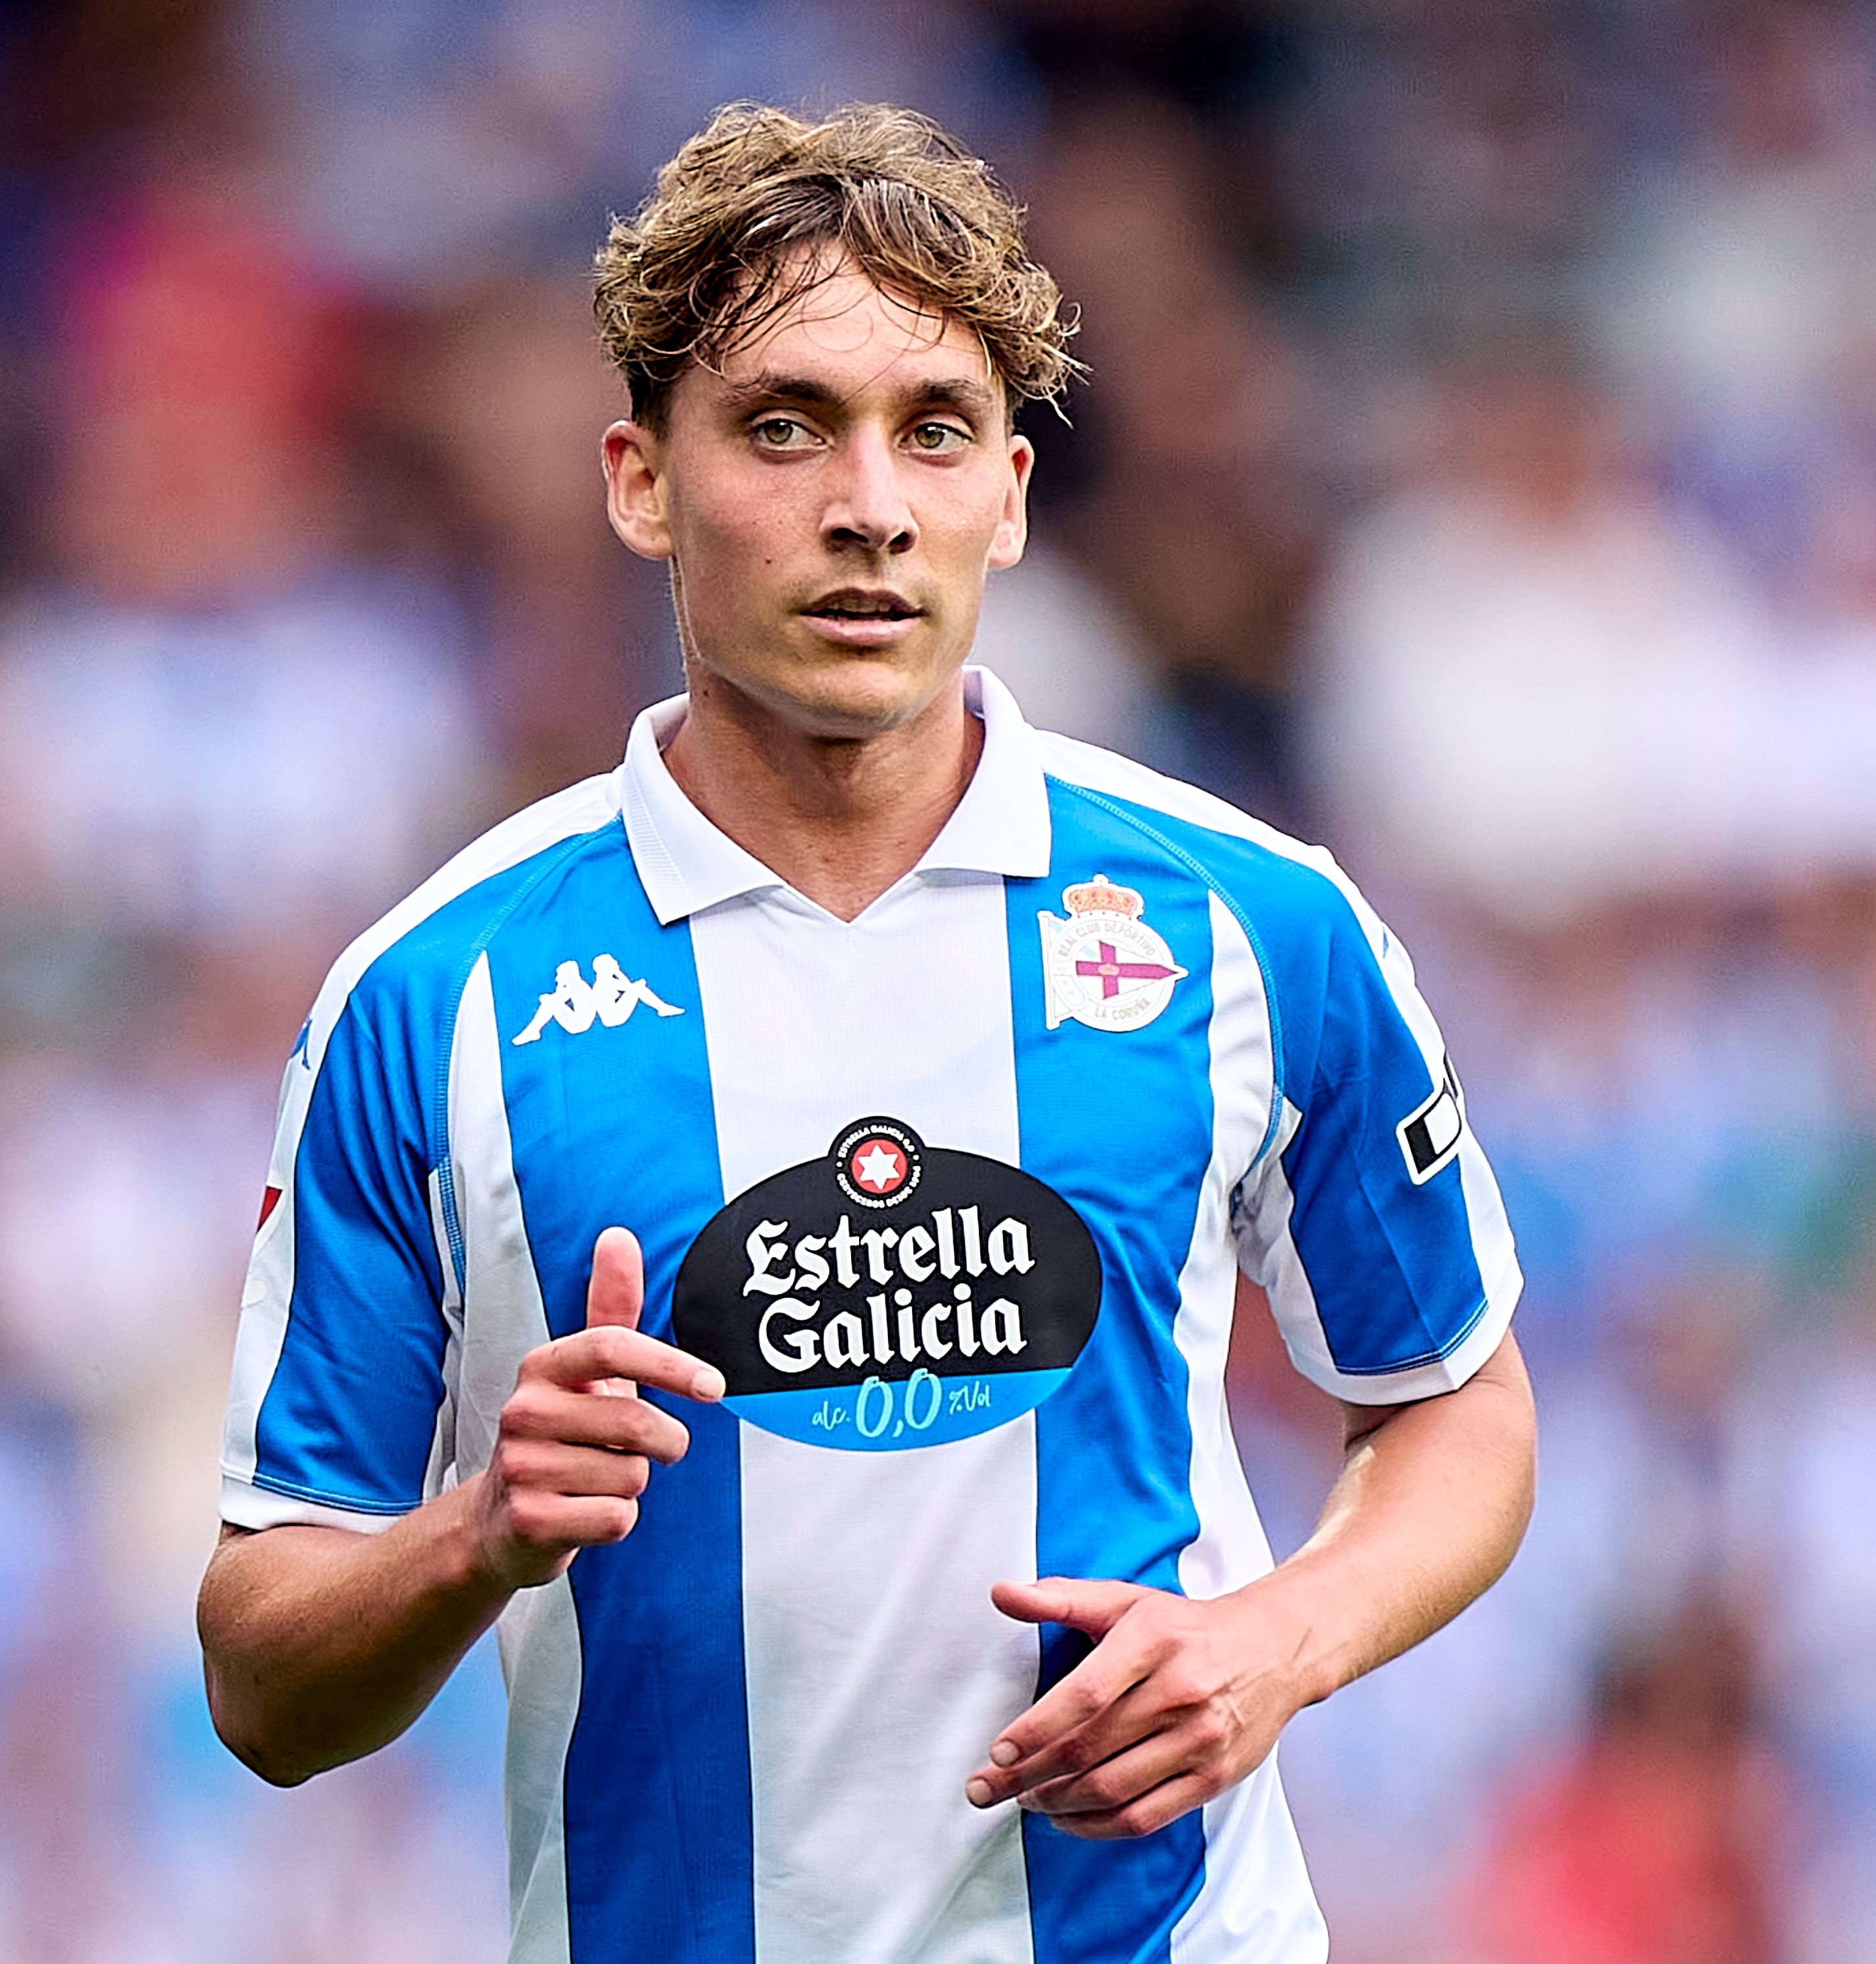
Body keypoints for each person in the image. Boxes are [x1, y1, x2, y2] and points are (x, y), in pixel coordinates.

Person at [196, 102, 1538, 1963]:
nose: (868, 506)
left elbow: (1451, 1399)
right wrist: (476, 1537)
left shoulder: (1248, 921)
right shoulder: (436, 997)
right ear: (637, 480)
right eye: (782, 425)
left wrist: (1274, 1641)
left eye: (931, 431)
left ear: (1008, 488)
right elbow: (260, 1688)